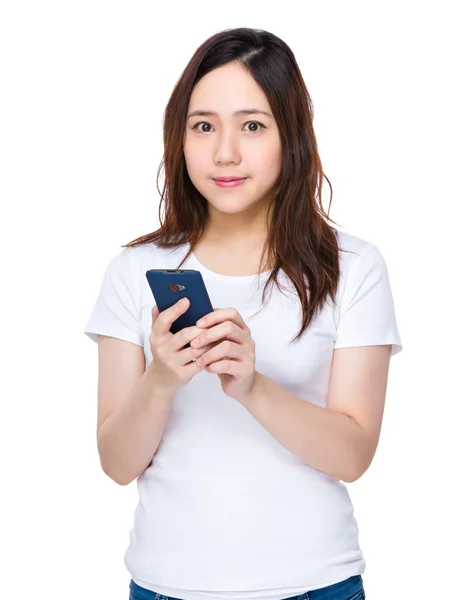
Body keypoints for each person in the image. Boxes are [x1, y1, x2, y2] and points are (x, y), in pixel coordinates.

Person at [84, 27, 402, 600]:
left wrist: (252, 386)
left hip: (315, 585)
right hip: (165, 588)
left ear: (292, 136)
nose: (225, 152)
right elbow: (115, 463)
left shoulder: (352, 267)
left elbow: (354, 456)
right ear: (179, 139)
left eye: (253, 126)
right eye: (203, 125)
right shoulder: (134, 270)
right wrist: (160, 379)